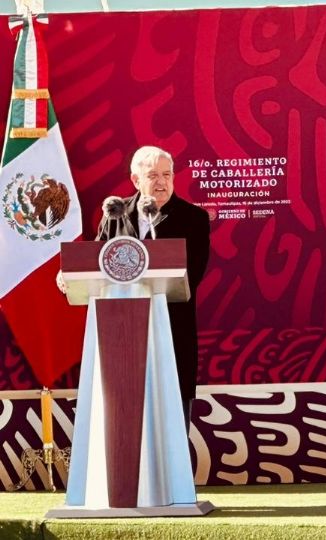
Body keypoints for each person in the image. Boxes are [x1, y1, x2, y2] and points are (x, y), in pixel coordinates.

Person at [96, 146, 210, 428]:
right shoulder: (115, 214)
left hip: (171, 331)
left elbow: (191, 277)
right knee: (125, 420)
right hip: (123, 334)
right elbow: (97, 264)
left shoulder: (193, 219)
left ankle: (173, 472)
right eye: (153, 175)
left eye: (167, 174)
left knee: (172, 422)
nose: (162, 182)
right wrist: (70, 275)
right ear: (136, 180)